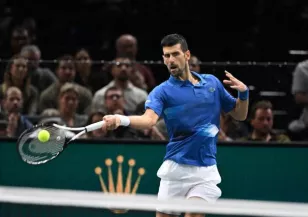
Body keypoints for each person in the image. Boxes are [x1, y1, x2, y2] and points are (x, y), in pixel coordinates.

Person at [101, 33, 249, 217]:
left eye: (175, 54)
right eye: (166, 56)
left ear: (186, 55)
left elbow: (240, 114)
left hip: (205, 171)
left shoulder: (212, 83)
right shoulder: (162, 92)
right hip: (175, 169)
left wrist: (243, 94)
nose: (170, 60)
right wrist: (121, 119)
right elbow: (149, 120)